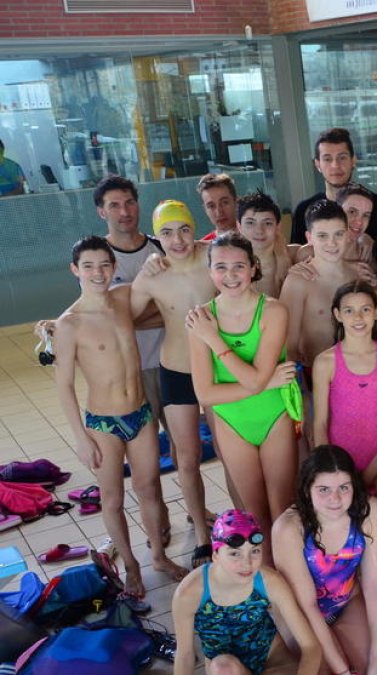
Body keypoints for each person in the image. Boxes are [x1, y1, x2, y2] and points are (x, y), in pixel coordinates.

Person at [53, 236, 186, 597]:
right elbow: (63, 385)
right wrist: (80, 438)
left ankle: (158, 555)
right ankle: (131, 566)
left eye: (104, 265)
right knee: (112, 499)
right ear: (75, 270)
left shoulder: (124, 299)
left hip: (140, 414)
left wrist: (157, 264)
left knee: (149, 489)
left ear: (113, 267)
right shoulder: (69, 324)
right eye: (89, 266)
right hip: (103, 424)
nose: (98, 273)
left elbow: (157, 278)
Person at [188, 232, 300, 558]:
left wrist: (214, 340)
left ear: (253, 268)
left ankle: (290, 578)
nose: (230, 275)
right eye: (221, 267)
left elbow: (253, 380)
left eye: (239, 266)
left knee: (283, 511)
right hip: (231, 421)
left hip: (273, 417)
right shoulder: (200, 319)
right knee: (254, 514)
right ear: (210, 272)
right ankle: (267, 582)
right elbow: (205, 394)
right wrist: (264, 383)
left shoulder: (273, 312)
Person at [130, 200, 217, 567]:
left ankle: (242, 522)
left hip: (217, 369)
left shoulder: (214, 257)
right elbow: (125, 315)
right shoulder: (152, 274)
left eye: (183, 229)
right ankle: (201, 534)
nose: (177, 239)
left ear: (194, 227)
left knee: (231, 454)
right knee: (187, 459)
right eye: (166, 232)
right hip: (176, 370)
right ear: (157, 236)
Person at [272, 446, 377, 675]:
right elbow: (307, 606)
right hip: (301, 617)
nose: (335, 498)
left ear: (354, 486)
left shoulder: (368, 510)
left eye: (343, 487)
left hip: (346, 603)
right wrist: (342, 671)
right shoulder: (289, 528)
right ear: (307, 490)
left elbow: (374, 584)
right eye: (323, 489)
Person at [172, 509, 321, 675]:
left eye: (255, 551)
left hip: (272, 662)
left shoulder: (269, 581)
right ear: (215, 555)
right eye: (235, 554)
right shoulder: (190, 593)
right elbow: (185, 656)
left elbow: (311, 647)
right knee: (223, 667)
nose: (247, 563)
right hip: (227, 669)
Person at [312, 282, 377, 501]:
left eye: (365, 309)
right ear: (337, 314)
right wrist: (328, 471)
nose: (358, 317)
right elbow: (320, 423)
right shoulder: (326, 362)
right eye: (349, 311)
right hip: (339, 458)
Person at [94, 176, 170, 445]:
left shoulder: (162, 247)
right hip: (129, 370)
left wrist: (130, 316)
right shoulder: (97, 259)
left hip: (172, 363)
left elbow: (180, 306)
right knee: (145, 455)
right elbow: (107, 318)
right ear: (101, 212)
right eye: (114, 205)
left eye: (129, 203)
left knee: (185, 450)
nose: (124, 212)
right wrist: (162, 310)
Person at [280, 200, 360, 371]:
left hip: (357, 375)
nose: (331, 243)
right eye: (323, 236)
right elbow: (288, 347)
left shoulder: (359, 275)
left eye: (338, 234)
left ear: (347, 235)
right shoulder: (298, 281)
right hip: (314, 378)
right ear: (309, 238)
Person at [290, 127, 377, 244]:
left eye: (342, 157)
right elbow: (298, 256)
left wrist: (371, 244)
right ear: (317, 164)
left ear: (353, 161)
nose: (335, 165)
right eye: (327, 159)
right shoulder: (304, 210)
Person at [237, 189, 301, 298]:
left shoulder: (298, 255)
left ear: (278, 227)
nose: (259, 230)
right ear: (239, 227)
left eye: (267, 223)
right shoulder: (228, 265)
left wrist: (283, 257)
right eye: (250, 223)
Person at [333, 182, 376, 263]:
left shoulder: (372, 260)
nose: (359, 222)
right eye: (352, 212)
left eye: (366, 215)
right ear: (337, 212)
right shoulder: (311, 254)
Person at [197, 173, 238, 241]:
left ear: (236, 202)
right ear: (205, 210)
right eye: (211, 206)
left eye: (224, 202)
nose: (219, 212)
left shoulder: (256, 238)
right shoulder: (203, 247)